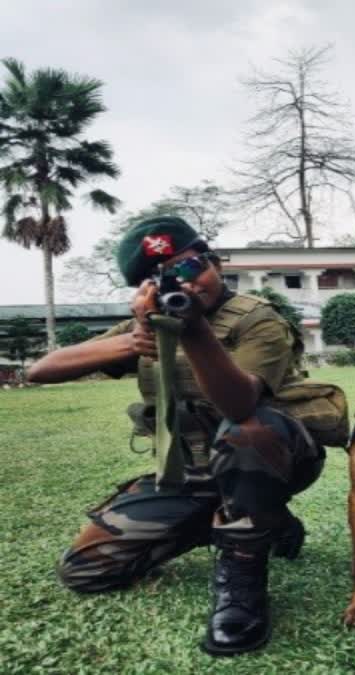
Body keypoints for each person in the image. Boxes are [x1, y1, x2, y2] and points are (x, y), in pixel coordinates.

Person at [27, 216, 326, 657]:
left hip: (274, 459)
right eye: (163, 277)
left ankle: (242, 579)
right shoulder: (149, 323)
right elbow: (40, 370)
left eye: (190, 267)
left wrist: (193, 330)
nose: (185, 283)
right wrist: (133, 341)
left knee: (246, 430)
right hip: (193, 473)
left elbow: (240, 405)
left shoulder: (257, 320)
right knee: (85, 571)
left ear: (213, 263)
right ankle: (268, 522)